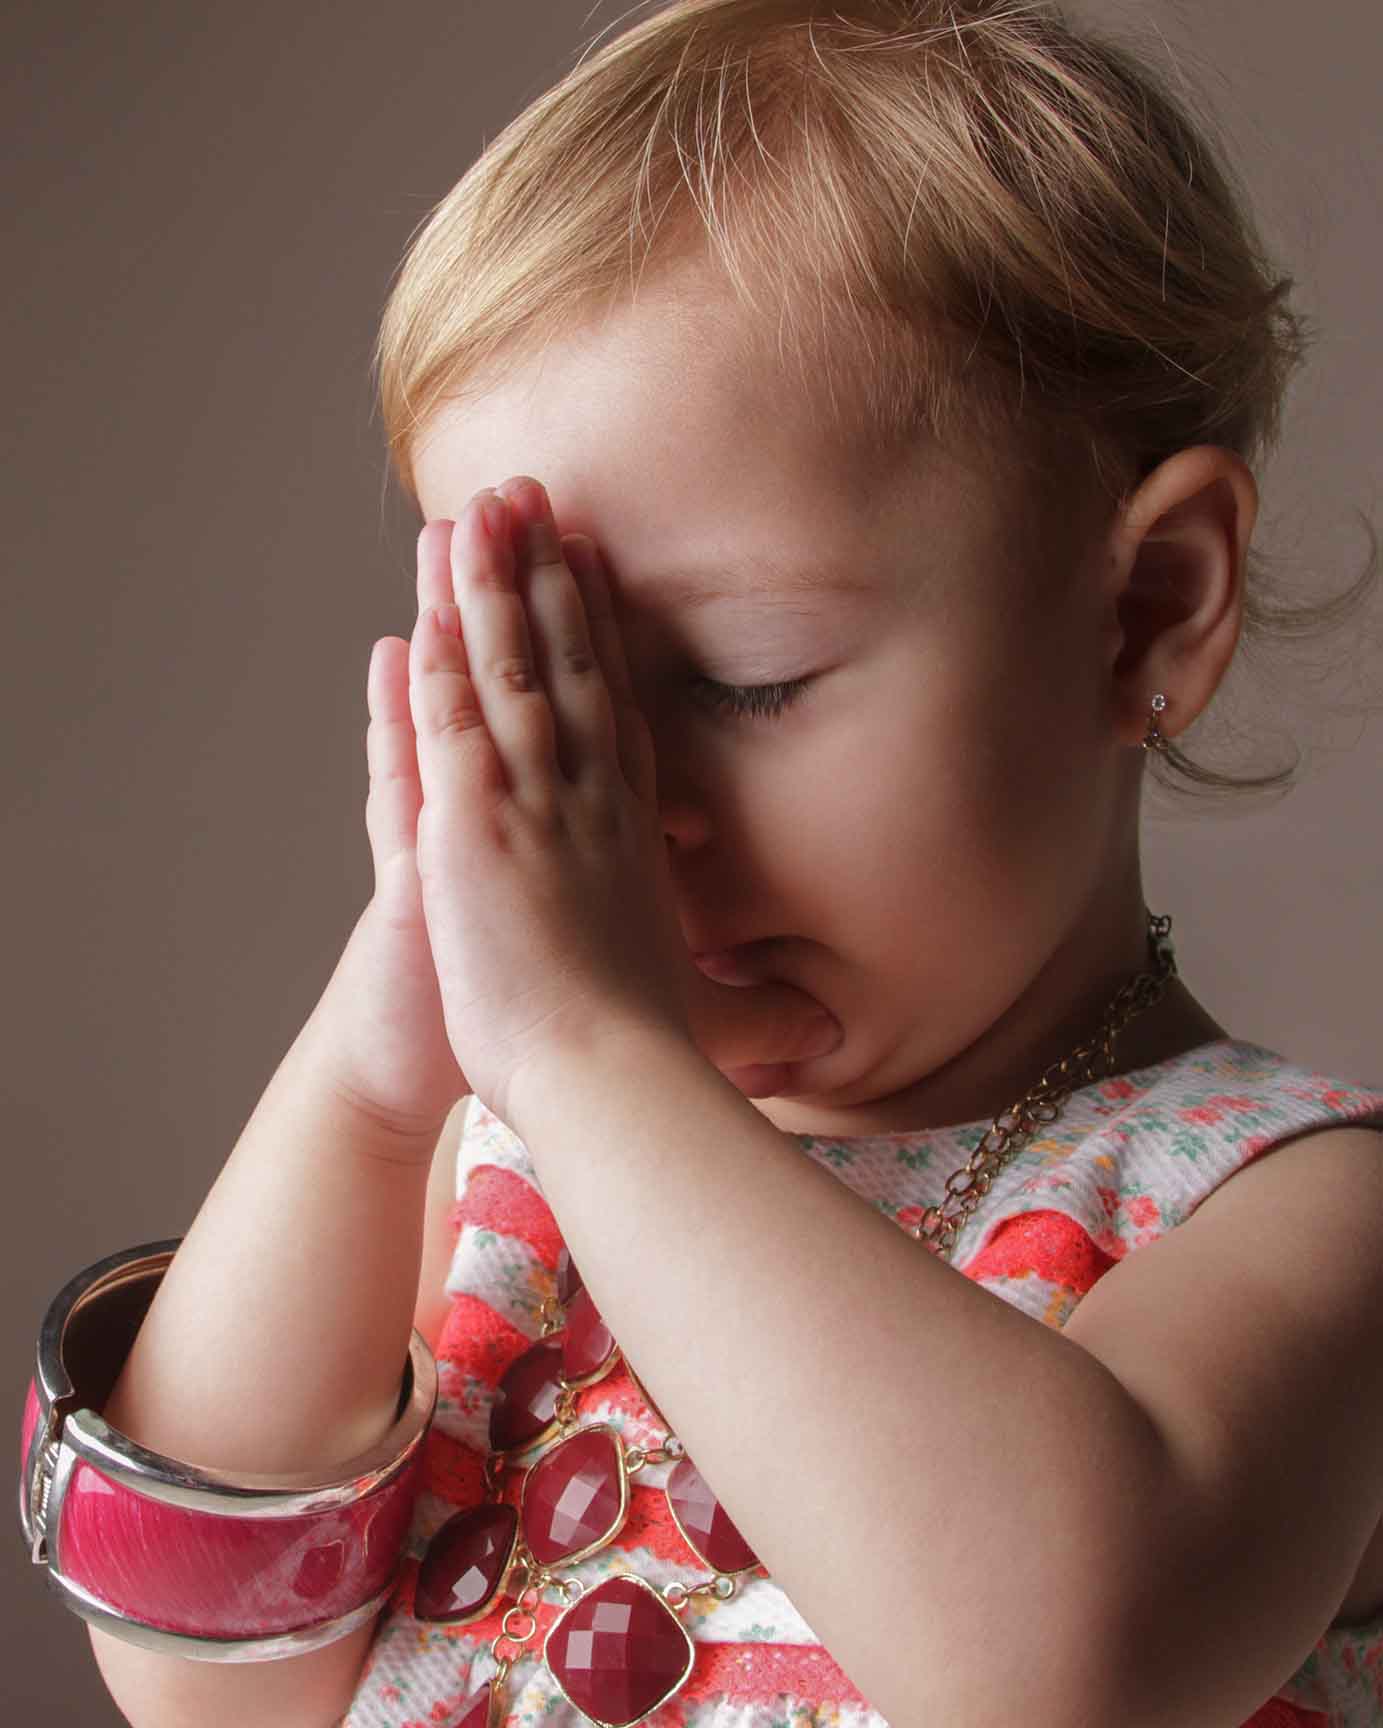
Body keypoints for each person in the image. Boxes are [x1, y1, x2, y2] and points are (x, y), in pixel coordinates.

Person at [33, 2, 1383, 1726]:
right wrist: (377, 1091)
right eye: (551, 698)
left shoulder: (1291, 1217)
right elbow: (191, 1671)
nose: (620, 811)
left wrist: (594, 1060)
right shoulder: (500, 1177)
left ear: (1146, 610)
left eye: (744, 682)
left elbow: (1057, 1672)